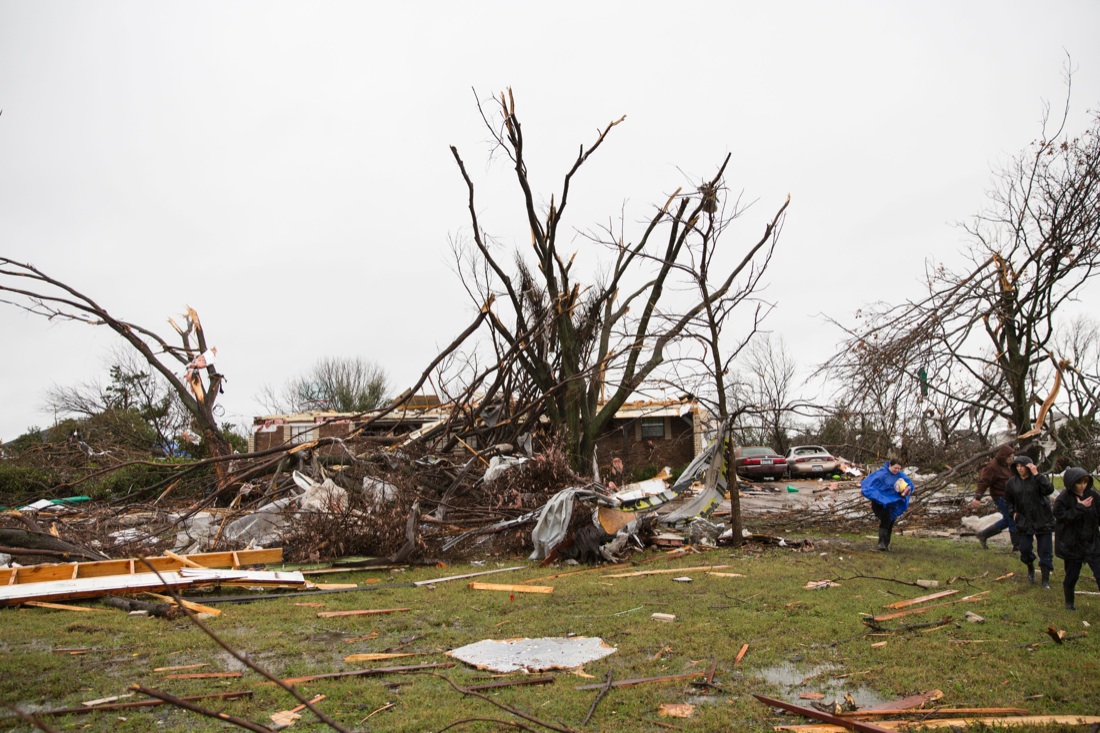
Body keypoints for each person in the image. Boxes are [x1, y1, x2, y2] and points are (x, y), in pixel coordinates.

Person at [1003, 455, 1054, 588]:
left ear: (1029, 466)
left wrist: (1037, 475)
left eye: (1022, 466)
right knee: (1024, 549)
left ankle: (1045, 579)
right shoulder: (1012, 482)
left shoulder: (1038, 479)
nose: (1020, 469)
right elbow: (1007, 500)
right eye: (1017, 466)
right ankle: (1030, 566)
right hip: (1023, 519)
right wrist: (1012, 512)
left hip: (1042, 518)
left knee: (1045, 551)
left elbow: (1049, 490)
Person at [1053, 467, 1100, 611]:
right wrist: (1079, 508)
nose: (1083, 486)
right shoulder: (1063, 498)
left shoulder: (1093, 495)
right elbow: (1061, 517)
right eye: (1079, 483)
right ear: (1071, 483)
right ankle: (1069, 603)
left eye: (1085, 482)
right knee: (1072, 576)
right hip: (1072, 544)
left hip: (1092, 542)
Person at [971, 445, 1019, 551]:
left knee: (1007, 520)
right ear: (1004, 456)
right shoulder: (992, 466)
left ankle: (983, 534)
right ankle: (1017, 547)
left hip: (1010, 496)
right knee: (1012, 519)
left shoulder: (1008, 465)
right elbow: (984, 482)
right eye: (1009, 457)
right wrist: (977, 498)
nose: (1011, 459)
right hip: (1000, 496)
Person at [861, 459, 915, 551]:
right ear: (890, 465)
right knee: (886, 520)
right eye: (895, 468)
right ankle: (881, 543)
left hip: (893, 504)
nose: (897, 470)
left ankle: (885, 544)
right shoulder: (881, 474)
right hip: (880, 503)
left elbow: (910, 486)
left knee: (890, 521)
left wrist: (906, 489)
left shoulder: (901, 476)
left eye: (899, 468)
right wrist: (878, 497)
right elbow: (869, 484)